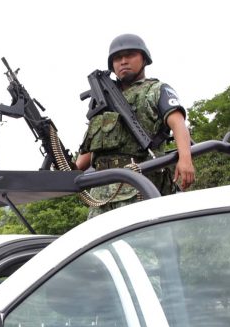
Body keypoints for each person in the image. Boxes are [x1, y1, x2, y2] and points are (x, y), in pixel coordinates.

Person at [74, 33, 195, 217]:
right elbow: (82, 161)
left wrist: (185, 159)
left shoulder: (155, 90)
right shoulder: (102, 105)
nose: (123, 61)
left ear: (144, 59)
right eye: (117, 58)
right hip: (100, 197)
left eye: (130, 55)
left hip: (139, 186)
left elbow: (177, 122)